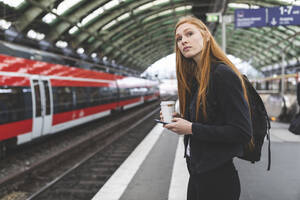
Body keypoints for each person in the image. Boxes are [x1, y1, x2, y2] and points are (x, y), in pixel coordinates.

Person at [160, 16, 253, 200]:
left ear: (206, 36)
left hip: (218, 181)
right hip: (197, 174)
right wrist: (180, 120)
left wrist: (191, 128)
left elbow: (242, 131)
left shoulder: (222, 74)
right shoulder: (197, 79)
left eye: (189, 34)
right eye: (179, 38)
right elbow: (208, 119)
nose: (183, 40)